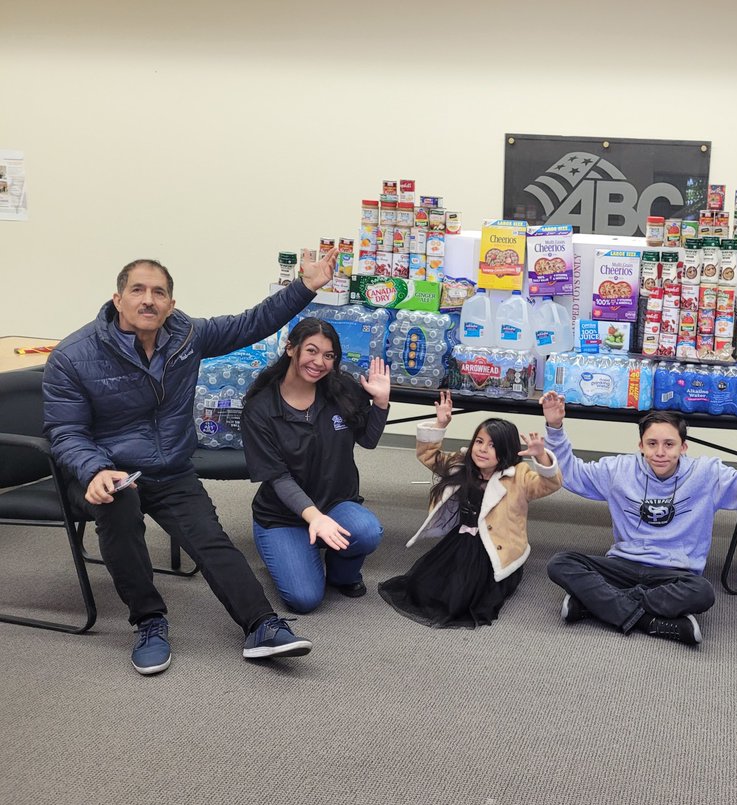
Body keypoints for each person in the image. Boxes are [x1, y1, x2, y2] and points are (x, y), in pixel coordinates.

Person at [42, 252, 336, 675]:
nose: (149, 300)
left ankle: (262, 625)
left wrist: (304, 287)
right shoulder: (73, 355)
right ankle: (149, 621)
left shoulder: (186, 335)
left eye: (159, 292)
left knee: (210, 538)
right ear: (117, 299)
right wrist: (94, 470)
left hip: (171, 468)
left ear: (171, 304)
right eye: (138, 290)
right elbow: (65, 431)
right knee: (120, 509)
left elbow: (251, 323)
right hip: (104, 472)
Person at [539, 392, 737, 646]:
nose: (660, 452)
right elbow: (571, 474)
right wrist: (555, 427)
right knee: (561, 563)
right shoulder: (618, 469)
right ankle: (649, 621)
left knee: (702, 592)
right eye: (652, 444)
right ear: (640, 445)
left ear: (684, 446)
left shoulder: (706, 473)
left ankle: (593, 604)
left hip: (676, 572)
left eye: (669, 444)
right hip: (623, 564)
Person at [241, 318, 390, 613]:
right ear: (291, 349)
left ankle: (340, 572)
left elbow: (368, 440)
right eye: (311, 351)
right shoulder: (261, 408)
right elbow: (278, 477)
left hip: (335, 503)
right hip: (282, 516)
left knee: (367, 531)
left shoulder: (341, 389)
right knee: (304, 599)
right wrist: (314, 518)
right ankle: (292, 549)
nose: (319, 362)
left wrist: (382, 403)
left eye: (329, 355)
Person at [379, 391, 561, 629]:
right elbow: (428, 455)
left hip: (495, 547)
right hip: (461, 540)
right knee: (426, 585)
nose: (483, 449)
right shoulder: (461, 465)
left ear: (507, 450)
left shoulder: (519, 476)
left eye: (493, 445)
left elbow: (550, 484)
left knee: (465, 597)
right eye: (479, 441)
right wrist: (440, 424)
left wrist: (542, 458)